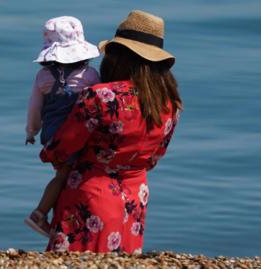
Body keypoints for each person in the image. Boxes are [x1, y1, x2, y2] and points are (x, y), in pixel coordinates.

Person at [40, 10, 183, 253]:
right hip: (135, 197)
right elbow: (153, 159)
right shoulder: (170, 104)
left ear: (119, 57)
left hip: (90, 196)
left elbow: (60, 150)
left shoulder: (101, 97)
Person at [24, 16, 100, 237]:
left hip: (51, 135)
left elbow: (34, 108)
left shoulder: (43, 77)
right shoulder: (90, 75)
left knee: (63, 174)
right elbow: (99, 104)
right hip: (76, 135)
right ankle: (39, 214)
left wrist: (31, 131)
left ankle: (63, 221)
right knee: (67, 176)